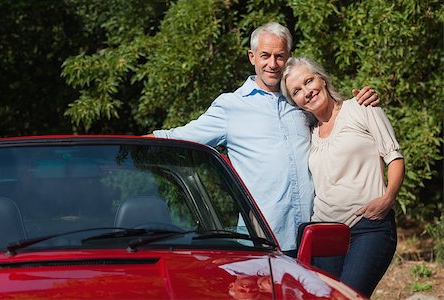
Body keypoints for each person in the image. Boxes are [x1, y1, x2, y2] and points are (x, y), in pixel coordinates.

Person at [145, 22, 378, 257]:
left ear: (288, 58)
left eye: (280, 56)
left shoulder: (300, 101)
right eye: (265, 56)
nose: (272, 64)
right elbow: (181, 137)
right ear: (252, 57)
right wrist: (129, 147)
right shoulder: (231, 106)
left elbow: (335, 118)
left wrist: (362, 101)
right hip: (261, 241)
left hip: (313, 233)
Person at [280, 56, 405, 297]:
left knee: (347, 296)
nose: (307, 91)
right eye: (297, 91)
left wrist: (388, 198)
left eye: (309, 81)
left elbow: (395, 157)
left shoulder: (361, 107)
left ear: (322, 79)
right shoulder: (309, 132)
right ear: (295, 101)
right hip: (323, 233)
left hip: (368, 226)